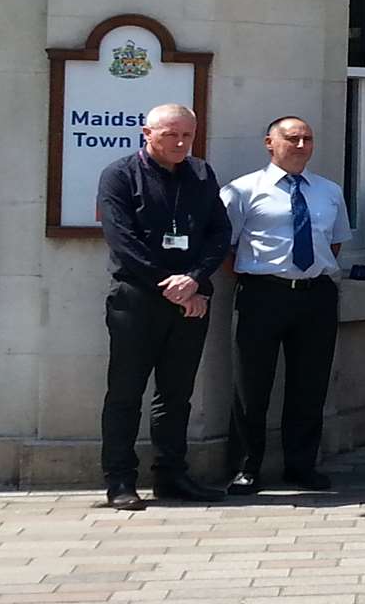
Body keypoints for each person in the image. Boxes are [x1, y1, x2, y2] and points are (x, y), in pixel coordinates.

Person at [97, 103, 232, 510]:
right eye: (170, 134)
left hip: (191, 299)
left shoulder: (202, 174)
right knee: (125, 393)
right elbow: (123, 241)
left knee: (176, 394)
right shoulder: (119, 175)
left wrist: (195, 280)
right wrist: (173, 286)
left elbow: (219, 232)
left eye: (187, 135)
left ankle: (172, 476)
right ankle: (120, 480)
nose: (179, 143)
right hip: (137, 299)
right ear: (146, 133)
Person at [221, 116, 354, 495]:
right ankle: (246, 467)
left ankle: (301, 466)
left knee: (309, 386)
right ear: (270, 143)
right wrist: (259, 276)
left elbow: (335, 242)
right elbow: (224, 248)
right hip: (263, 294)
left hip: (316, 295)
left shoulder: (328, 191)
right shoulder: (242, 190)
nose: (301, 146)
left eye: (307, 139)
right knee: (251, 385)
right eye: (292, 138)